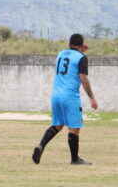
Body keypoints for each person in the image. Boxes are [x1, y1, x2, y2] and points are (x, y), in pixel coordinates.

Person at [32, 34, 98, 165]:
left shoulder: (61, 54)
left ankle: (41, 146)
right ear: (81, 45)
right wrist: (92, 98)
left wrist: (79, 51)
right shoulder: (81, 58)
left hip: (56, 95)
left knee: (57, 125)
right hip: (70, 97)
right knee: (74, 127)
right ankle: (75, 159)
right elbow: (83, 79)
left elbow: (71, 58)